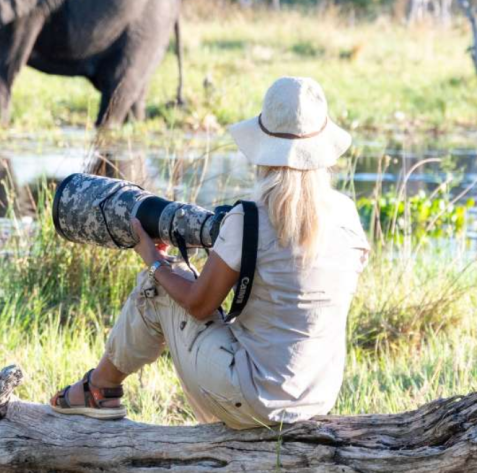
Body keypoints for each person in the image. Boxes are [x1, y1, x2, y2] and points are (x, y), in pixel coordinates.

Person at [50, 76, 370, 428]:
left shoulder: (249, 220)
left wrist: (154, 261)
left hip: (256, 400)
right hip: (316, 396)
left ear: (263, 148)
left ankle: (99, 389)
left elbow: (199, 304)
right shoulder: (346, 214)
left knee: (156, 287)